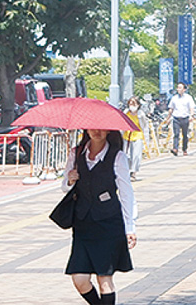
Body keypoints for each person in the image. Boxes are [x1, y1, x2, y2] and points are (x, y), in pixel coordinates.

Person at [61, 128, 137, 305]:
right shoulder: (77, 153)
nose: (97, 131)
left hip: (109, 224)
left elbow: (126, 193)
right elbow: (65, 187)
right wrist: (70, 180)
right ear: (86, 129)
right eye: (92, 127)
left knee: (104, 280)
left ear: (109, 131)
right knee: (79, 279)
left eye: (102, 128)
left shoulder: (117, 156)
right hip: (83, 224)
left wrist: (130, 228)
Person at [168, 82, 195, 156]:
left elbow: (191, 107)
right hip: (176, 118)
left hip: (185, 118)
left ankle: (184, 149)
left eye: (180, 88)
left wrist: (191, 115)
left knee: (185, 134)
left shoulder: (188, 97)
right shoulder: (174, 98)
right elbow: (171, 108)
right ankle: (175, 149)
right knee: (176, 134)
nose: (178, 89)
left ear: (184, 89)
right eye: (178, 88)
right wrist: (168, 117)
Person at [123, 97, 143, 180]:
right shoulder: (126, 113)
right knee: (126, 155)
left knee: (136, 155)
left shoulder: (141, 114)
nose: (132, 106)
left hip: (137, 135)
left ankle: (134, 172)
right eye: (130, 103)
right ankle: (127, 171)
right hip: (127, 136)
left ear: (138, 105)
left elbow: (144, 126)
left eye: (134, 104)